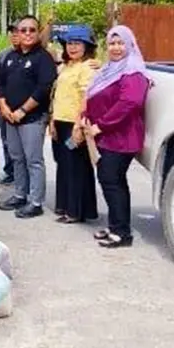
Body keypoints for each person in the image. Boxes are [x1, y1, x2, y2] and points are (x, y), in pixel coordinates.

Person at [83, 25, 151, 248]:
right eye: (112, 43)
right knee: (109, 180)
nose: (116, 48)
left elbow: (130, 103)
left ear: (130, 45)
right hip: (106, 136)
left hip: (121, 137)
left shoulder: (133, 72)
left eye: (121, 43)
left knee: (113, 182)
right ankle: (115, 226)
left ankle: (122, 233)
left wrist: (100, 125)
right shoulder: (110, 69)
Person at [0, 15, 57, 218]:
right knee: (17, 158)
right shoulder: (11, 57)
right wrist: (4, 107)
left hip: (31, 118)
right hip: (10, 117)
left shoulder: (43, 58)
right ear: (17, 34)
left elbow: (43, 88)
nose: (27, 34)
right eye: (23, 30)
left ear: (38, 33)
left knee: (33, 160)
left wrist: (22, 110)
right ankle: (20, 194)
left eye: (32, 30)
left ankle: (36, 201)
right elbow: (0, 84)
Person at [50, 26, 100, 224]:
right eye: (69, 43)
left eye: (77, 44)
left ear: (86, 46)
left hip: (75, 122)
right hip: (60, 121)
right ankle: (65, 206)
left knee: (77, 168)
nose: (72, 48)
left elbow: (86, 97)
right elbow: (56, 96)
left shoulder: (88, 67)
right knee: (64, 166)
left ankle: (76, 211)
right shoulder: (65, 66)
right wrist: (52, 121)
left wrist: (79, 125)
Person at [0, 23, 20, 186]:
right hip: (4, 106)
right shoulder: (2, 56)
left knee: (25, 146)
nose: (15, 35)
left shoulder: (37, 54)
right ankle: (10, 172)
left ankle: (24, 175)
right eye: (12, 32)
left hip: (27, 108)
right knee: (6, 140)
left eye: (18, 31)